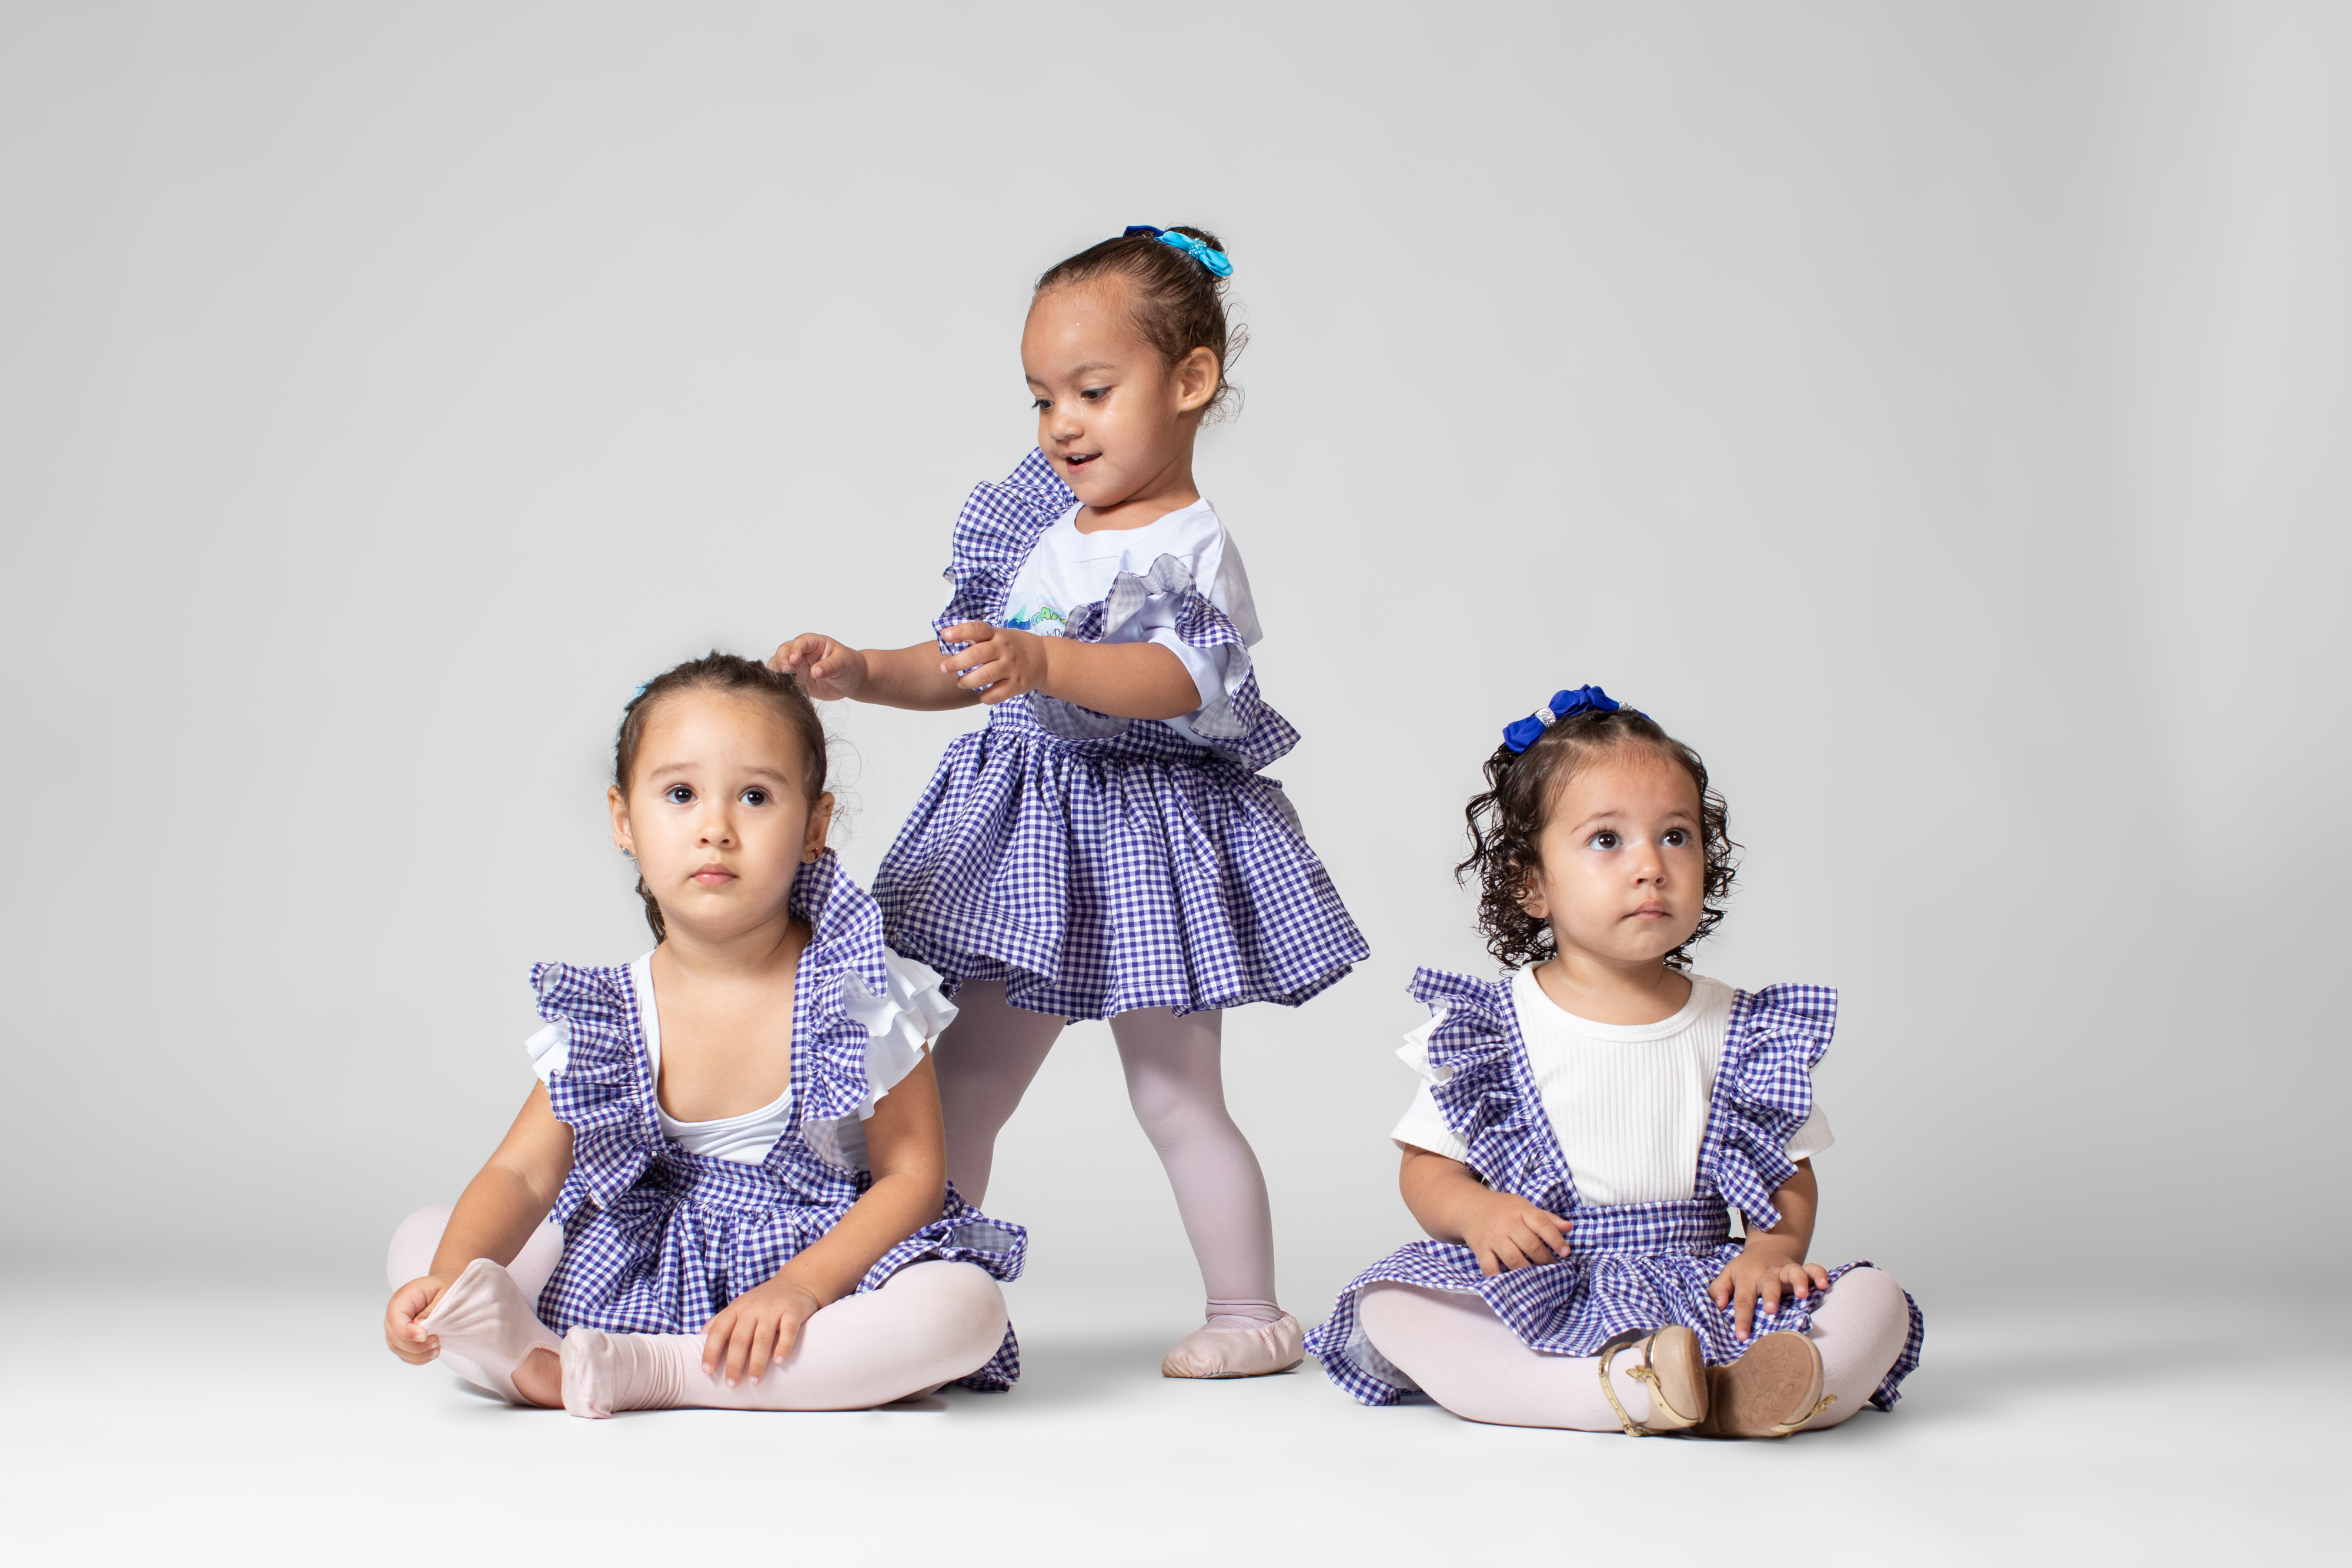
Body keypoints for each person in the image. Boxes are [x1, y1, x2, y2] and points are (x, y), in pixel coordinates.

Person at [773, 225, 1365, 1378]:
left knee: (1175, 1090)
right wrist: (862, 671)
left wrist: (1046, 666)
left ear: (1188, 381)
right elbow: (965, 663)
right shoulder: (1045, 528)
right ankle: (921, 1287)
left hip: (1146, 838)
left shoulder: (1189, 545)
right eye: (1042, 397)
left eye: (1093, 390)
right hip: (1032, 840)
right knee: (966, 1084)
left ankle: (1247, 1310)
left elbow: (1177, 676)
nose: (1062, 423)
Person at [382, 653, 1025, 1417]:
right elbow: (522, 1174)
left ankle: (656, 1369)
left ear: (814, 826)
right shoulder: (611, 1013)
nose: (716, 828)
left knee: (964, 1306)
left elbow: (912, 1178)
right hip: (639, 1264)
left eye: (755, 795)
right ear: (625, 821)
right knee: (424, 1244)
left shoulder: (857, 993)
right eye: (681, 794)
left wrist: (802, 1285)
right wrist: (454, 1275)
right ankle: (532, 1349)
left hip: (811, 1278)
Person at [1304, 688, 1922, 1435]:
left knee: (1875, 1298)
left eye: (1675, 836)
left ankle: (1753, 1388)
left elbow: (1787, 1172)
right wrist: (1474, 1211)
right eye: (1606, 841)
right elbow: (1427, 1165)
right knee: (1395, 1302)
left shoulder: (1741, 1026)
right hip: (1554, 1277)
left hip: (1706, 1280)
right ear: (1530, 883)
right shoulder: (1493, 1029)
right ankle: (1625, 1395)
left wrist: (1773, 1249)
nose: (1650, 868)